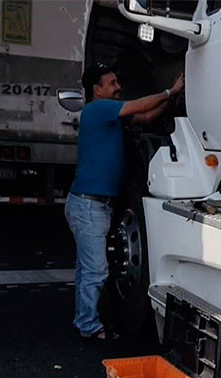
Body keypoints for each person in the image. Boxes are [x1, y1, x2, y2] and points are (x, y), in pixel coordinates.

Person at [65, 63, 185, 340]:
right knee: (95, 270)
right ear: (97, 90)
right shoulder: (97, 109)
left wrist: (171, 100)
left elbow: (146, 115)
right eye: (112, 83)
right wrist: (171, 90)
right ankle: (89, 327)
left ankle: (84, 320)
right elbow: (140, 104)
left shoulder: (110, 116)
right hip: (88, 205)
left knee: (87, 269)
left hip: (91, 205)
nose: (118, 87)